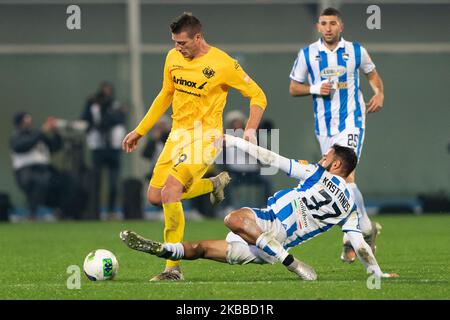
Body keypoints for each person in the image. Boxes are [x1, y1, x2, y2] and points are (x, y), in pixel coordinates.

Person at [119, 135, 399, 280]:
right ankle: (158, 248)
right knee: (201, 249)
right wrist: (377, 273)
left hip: (269, 223)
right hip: (269, 247)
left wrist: (235, 141)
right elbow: (359, 244)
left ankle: (292, 264)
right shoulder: (349, 205)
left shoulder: (318, 173)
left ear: (336, 164)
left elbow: (272, 158)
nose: (322, 158)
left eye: (327, 156)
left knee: (232, 217)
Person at [121, 12, 267, 281]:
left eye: (183, 43)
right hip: (178, 135)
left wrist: (249, 129)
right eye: (175, 42)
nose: (178, 48)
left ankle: (172, 267)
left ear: (197, 37)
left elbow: (258, 95)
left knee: (171, 193)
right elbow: (165, 95)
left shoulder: (223, 64)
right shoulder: (172, 58)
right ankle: (213, 184)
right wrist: (140, 131)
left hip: (206, 138)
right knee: (154, 196)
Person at [288, 7, 385, 263]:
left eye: (332, 23)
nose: (328, 27)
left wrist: (379, 93)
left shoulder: (356, 50)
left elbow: (372, 74)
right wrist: (314, 87)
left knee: (346, 173)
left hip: (353, 121)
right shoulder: (307, 54)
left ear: (340, 26)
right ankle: (365, 227)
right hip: (325, 127)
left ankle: (354, 234)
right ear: (318, 27)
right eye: (323, 23)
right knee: (335, 179)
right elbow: (293, 88)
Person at [81, 81, 127, 220]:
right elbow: (85, 120)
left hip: (113, 147)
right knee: (96, 181)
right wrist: (91, 105)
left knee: (113, 182)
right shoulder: (93, 106)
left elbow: (116, 120)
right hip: (98, 147)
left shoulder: (116, 106)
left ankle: (112, 210)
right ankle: (95, 210)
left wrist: (107, 110)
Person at [10, 112, 63, 220]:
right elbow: (23, 146)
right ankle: (31, 213)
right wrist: (42, 131)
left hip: (44, 168)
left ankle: (63, 211)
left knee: (65, 180)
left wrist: (56, 133)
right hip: (25, 170)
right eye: (26, 120)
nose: (29, 122)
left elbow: (55, 147)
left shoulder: (38, 135)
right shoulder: (16, 136)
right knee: (39, 180)